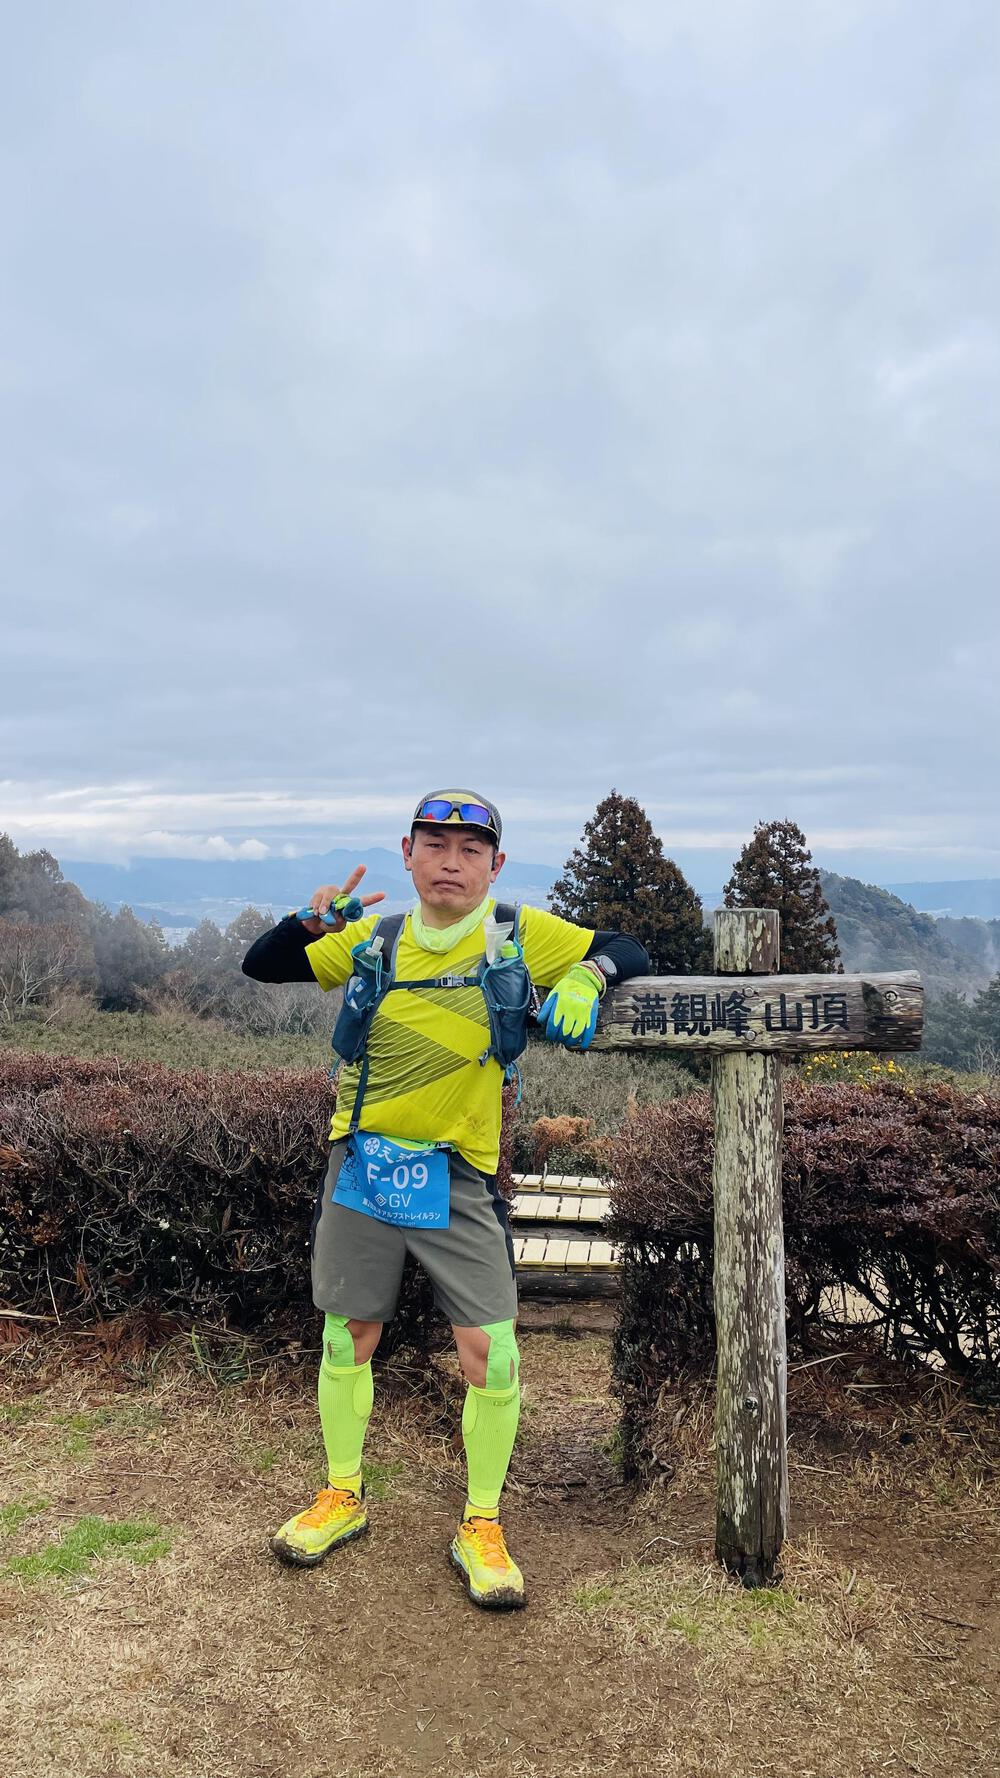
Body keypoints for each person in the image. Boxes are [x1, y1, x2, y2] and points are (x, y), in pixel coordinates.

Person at [242, 789, 649, 1610]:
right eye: (436, 844)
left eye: (471, 849)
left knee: (490, 1352)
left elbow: (628, 944)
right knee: (346, 1334)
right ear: (408, 852)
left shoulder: (514, 931)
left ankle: (483, 1522)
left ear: (495, 865)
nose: (451, 860)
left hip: (460, 1171)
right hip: (361, 1162)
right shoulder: (377, 934)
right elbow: (264, 964)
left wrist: (590, 976)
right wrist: (311, 922)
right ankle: (342, 1494)